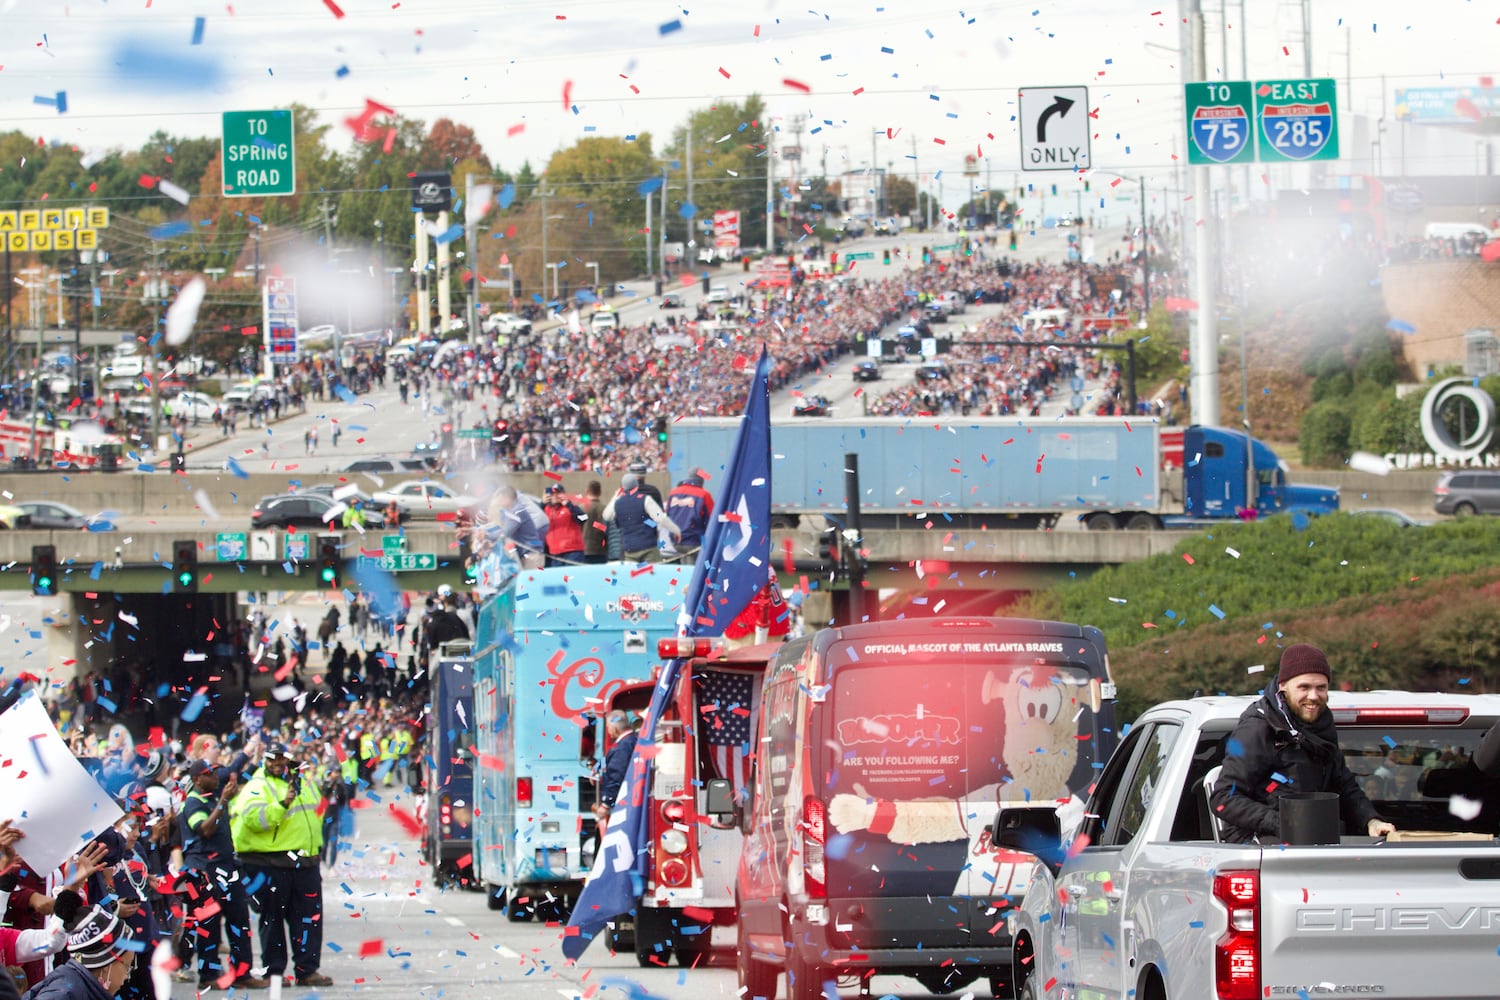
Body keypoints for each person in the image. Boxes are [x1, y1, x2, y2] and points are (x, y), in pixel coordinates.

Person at [1211, 644, 1395, 843]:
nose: (1313, 696)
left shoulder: (1323, 726)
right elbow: (1223, 798)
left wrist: (1371, 820)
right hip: (1263, 849)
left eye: (1321, 688)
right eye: (1304, 687)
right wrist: (1281, 823)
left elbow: (1344, 785)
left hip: (1316, 842)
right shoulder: (1258, 729)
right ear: (1283, 686)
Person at [228, 745, 332, 988]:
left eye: (281, 759)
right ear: (264, 761)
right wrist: (283, 804)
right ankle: (273, 972)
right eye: (272, 760)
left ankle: (307, 970)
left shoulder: (302, 782)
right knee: (272, 919)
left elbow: (317, 812)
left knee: (309, 919)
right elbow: (254, 820)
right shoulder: (257, 785)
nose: (277, 763)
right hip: (270, 863)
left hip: (305, 863)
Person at [179, 760, 264, 990]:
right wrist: (223, 802)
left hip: (227, 868)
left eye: (216, 773)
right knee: (210, 924)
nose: (215, 777)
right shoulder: (192, 803)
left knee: (239, 920)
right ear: (197, 779)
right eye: (209, 774)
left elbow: (238, 774)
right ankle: (209, 975)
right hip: (205, 871)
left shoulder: (213, 796)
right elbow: (205, 829)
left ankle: (242, 972)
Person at [602, 473, 679, 563]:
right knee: (651, 574)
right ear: (636, 485)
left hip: (629, 549)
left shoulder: (618, 502)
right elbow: (660, 518)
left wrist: (616, 496)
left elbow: (606, 516)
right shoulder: (645, 499)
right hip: (648, 547)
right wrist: (676, 531)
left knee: (633, 575)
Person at [592, 712, 638, 830]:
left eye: (608, 726)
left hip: (622, 805)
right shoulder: (633, 741)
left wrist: (606, 804)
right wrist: (598, 767)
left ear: (614, 727)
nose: (608, 730)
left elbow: (616, 775)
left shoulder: (622, 747)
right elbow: (607, 760)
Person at [486, 485, 548, 569]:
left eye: (501, 498)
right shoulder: (509, 512)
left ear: (507, 498)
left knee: (532, 580)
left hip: (531, 555)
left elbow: (506, 531)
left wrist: (486, 535)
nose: (499, 501)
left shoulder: (518, 511)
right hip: (525, 554)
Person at [665, 472, 714, 558]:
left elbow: (667, 514)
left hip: (676, 541)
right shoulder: (704, 494)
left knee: (684, 566)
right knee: (694, 567)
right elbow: (712, 518)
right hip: (694, 541)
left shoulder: (673, 492)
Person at [542, 484, 587, 566]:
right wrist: (542, 504)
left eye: (558, 493)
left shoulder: (569, 507)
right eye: (552, 494)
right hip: (555, 553)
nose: (555, 496)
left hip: (572, 551)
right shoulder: (547, 509)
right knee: (557, 578)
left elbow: (584, 518)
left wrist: (569, 505)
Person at [581, 481, 608, 564]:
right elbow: (606, 529)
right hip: (600, 549)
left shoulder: (580, 508)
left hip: (583, 549)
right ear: (600, 492)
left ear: (586, 491)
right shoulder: (604, 509)